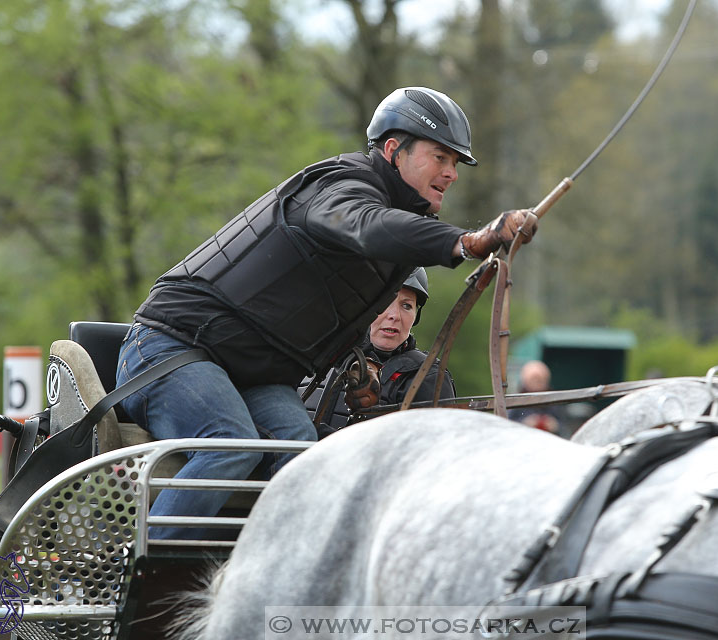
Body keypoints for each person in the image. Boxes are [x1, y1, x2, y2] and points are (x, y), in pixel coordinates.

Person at [115, 86, 537, 539]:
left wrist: (360, 365)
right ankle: (134, 585)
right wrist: (465, 242)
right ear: (394, 150)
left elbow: (330, 306)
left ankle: (270, 574)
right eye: (441, 157)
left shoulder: (392, 239)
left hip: (248, 372)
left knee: (305, 456)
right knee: (229, 446)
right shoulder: (340, 187)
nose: (452, 173)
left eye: (456, 163)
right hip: (170, 348)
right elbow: (365, 225)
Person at [301, 267, 456, 436]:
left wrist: (317, 438)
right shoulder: (315, 355)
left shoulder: (427, 376)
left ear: (415, 316)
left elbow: (433, 451)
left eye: (406, 305)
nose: (394, 315)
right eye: (385, 302)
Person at [507, 360, 563, 435]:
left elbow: (565, 428)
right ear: (525, 380)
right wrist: (524, 423)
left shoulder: (554, 402)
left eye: (540, 380)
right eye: (533, 379)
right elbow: (506, 426)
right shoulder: (516, 401)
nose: (537, 383)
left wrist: (555, 425)